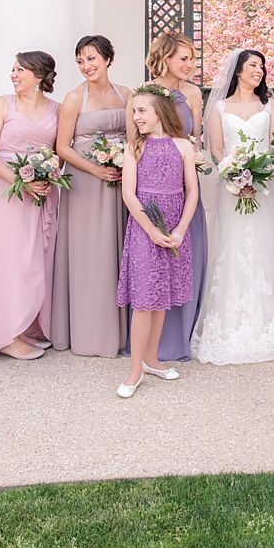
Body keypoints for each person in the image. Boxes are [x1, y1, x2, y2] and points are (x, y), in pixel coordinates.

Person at [190, 49, 274, 365]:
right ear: (238, 70)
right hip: (231, 188)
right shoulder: (219, 107)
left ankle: (271, 326)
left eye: (262, 66)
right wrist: (236, 174)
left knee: (266, 247)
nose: (259, 69)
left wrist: (257, 175)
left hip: (265, 188)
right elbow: (216, 150)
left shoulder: (269, 105)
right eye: (253, 64)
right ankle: (229, 325)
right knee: (232, 247)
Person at [49, 35, 130, 357]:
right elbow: (62, 146)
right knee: (89, 255)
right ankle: (87, 332)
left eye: (92, 58)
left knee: (117, 249)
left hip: (120, 179)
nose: (86, 66)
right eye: (81, 61)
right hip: (85, 182)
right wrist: (95, 170)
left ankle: (119, 330)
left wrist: (126, 164)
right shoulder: (73, 98)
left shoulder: (126, 94)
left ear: (108, 59)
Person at [116, 87, 199, 398]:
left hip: (175, 227)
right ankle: (135, 369)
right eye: (134, 111)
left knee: (161, 295)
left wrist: (180, 229)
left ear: (160, 113)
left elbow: (191, 191)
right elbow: (129, 195)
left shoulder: (183, 146)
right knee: (144, 300)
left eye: (142, 111)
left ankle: (152, 358)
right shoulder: (134, 148)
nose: (136, 117)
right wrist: (151, 230)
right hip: (144, 230)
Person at [0, 52, 61, 361]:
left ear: (39, 76)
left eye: (21, 70)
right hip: (3, 191)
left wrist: (48, 177)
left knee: (34, 261)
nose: (13, 75)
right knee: (6, 261)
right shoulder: (1, 104)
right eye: (12, 69)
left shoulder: (58, 109)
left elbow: (59, 150)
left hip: (40, 192)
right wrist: (20, 180)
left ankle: (27, 326)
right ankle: (4, 335)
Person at [143, 31, 208, 361]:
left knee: (187, 255)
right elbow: (135, 143)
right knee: (154, 261)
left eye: (192, 58)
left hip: (186, 184)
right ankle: (152, 343)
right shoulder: (147, 94)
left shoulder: (194, 93)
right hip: (155, 188)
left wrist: (193, 158)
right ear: (165, 58)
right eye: (183, 58)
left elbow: (195, 138)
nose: (190, 65)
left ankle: (184, 335)